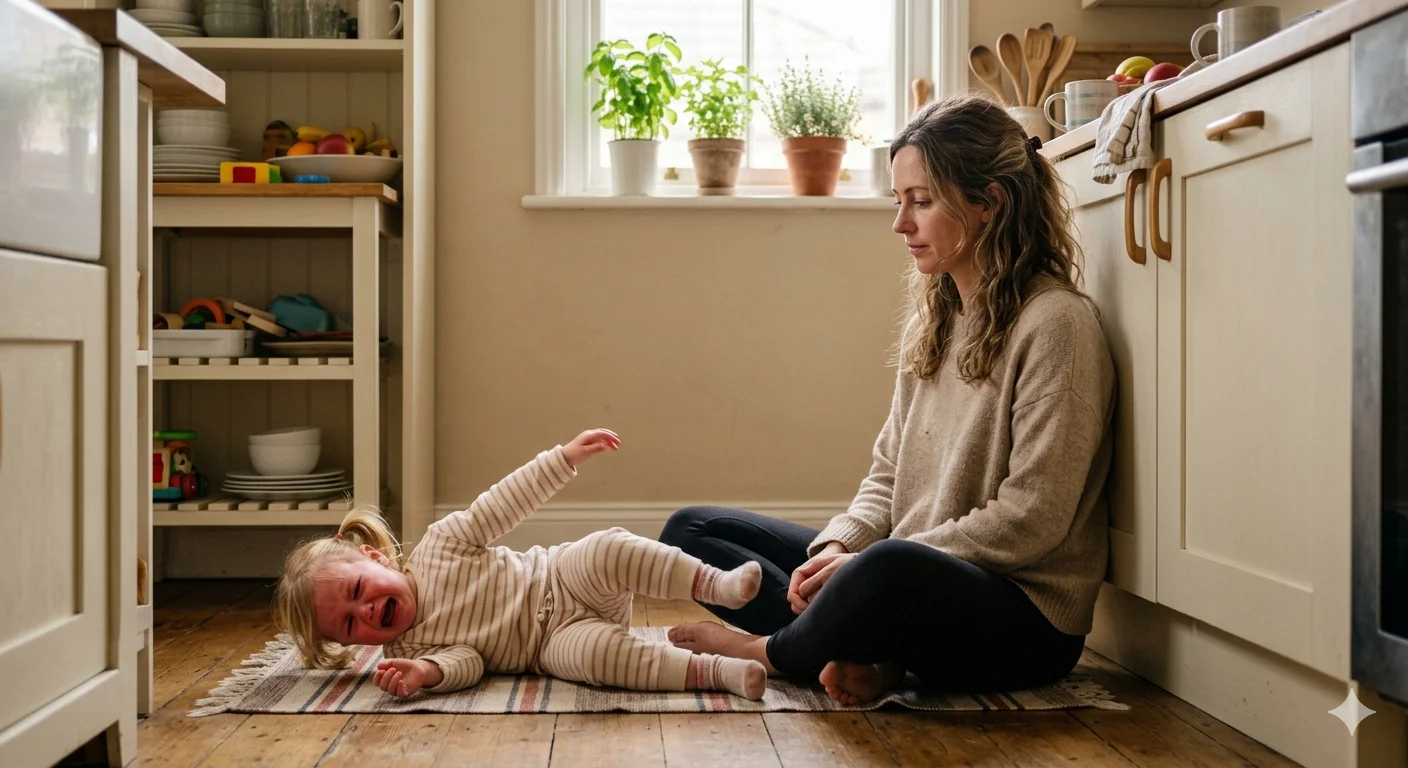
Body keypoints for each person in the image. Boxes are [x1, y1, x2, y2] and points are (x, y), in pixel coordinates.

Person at [659, 91, 1117, 706]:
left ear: (989, 204)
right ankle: (863, 651)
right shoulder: (937, 320)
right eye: (898, 201)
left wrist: (870, 564)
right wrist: (837, 549)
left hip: (1023, 617)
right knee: (692, 531)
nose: (900, 224)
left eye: (921, 202)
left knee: (886, 569)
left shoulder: (1057, 325)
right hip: (909, 574)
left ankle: (777, 654)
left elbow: (1032, 520)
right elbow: (887, 473)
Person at [275, 429, 768, 701]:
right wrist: (425, 673)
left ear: (375, 556)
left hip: (561, 575)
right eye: (348, 625)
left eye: (359, 590)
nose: (364, 612)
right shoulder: (408, 649)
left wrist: (564, 458)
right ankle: (717, 673)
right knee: (600, 662)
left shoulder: (440, 543)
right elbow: (467, 664)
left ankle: (717, 585)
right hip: (548, 647)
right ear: (350, 644)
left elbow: (504, 502)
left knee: (606, 548)